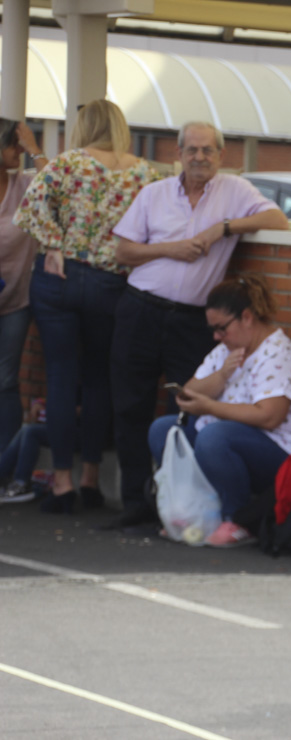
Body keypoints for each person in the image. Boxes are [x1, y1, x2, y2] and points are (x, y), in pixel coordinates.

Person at [108, 121, 288, 531]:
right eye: (192, 150)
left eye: (208, 150)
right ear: (179, 154)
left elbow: (278, 220)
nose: (199, 158)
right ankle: (134, 503)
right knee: (131, 407)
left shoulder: (235, 191)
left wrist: (221, 229)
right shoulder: (153, 194)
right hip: (140, 311)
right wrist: (171, 249)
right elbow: (122, 251)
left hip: (192, 321)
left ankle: (179, 504)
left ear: (221, 156)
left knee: (186, 411)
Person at [15, 100, 161, 514]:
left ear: (85, 126)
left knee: (61, 379)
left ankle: (61, 484)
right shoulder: (145, 173)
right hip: (112, 283)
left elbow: (30, 210)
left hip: (59, 279)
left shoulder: (67, 163)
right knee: (100, 380)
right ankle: (92, 480)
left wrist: (56, 245)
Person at [147, 275, 291, 547]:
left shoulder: (278, 354)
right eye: (213, 330)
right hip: (234, 439)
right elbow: (190, 391)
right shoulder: (226, 350)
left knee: (215, 437)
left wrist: (210, 407)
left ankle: (238, 519)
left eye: (221, 328)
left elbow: (269, 416)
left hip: (283, 451)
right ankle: (194, 510)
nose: (217, 336)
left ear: (247, 317)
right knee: (164, 430)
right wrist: (221, 377)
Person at [0, 119, 47, 455]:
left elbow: (59, 188)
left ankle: (5, 463)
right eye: (12, 144)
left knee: (6, 381)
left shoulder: (25, 185)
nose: (18, 151)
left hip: (15, 300)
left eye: (20, 144)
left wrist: (34, 149)